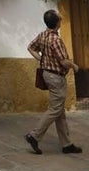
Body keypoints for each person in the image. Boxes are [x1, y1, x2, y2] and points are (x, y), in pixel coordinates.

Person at [24, 9, 82, 155]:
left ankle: (66, 144)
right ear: (57, 22)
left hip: (47, 74)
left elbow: (30, 47)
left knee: (59, 110)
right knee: (55, 109)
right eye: (59, 18)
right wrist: (74, 66)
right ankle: (34, 135)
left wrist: (41, 59)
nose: (61, 19)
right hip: (56, 77)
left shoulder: (43, 35)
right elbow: (63, 61)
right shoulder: (55, 40)